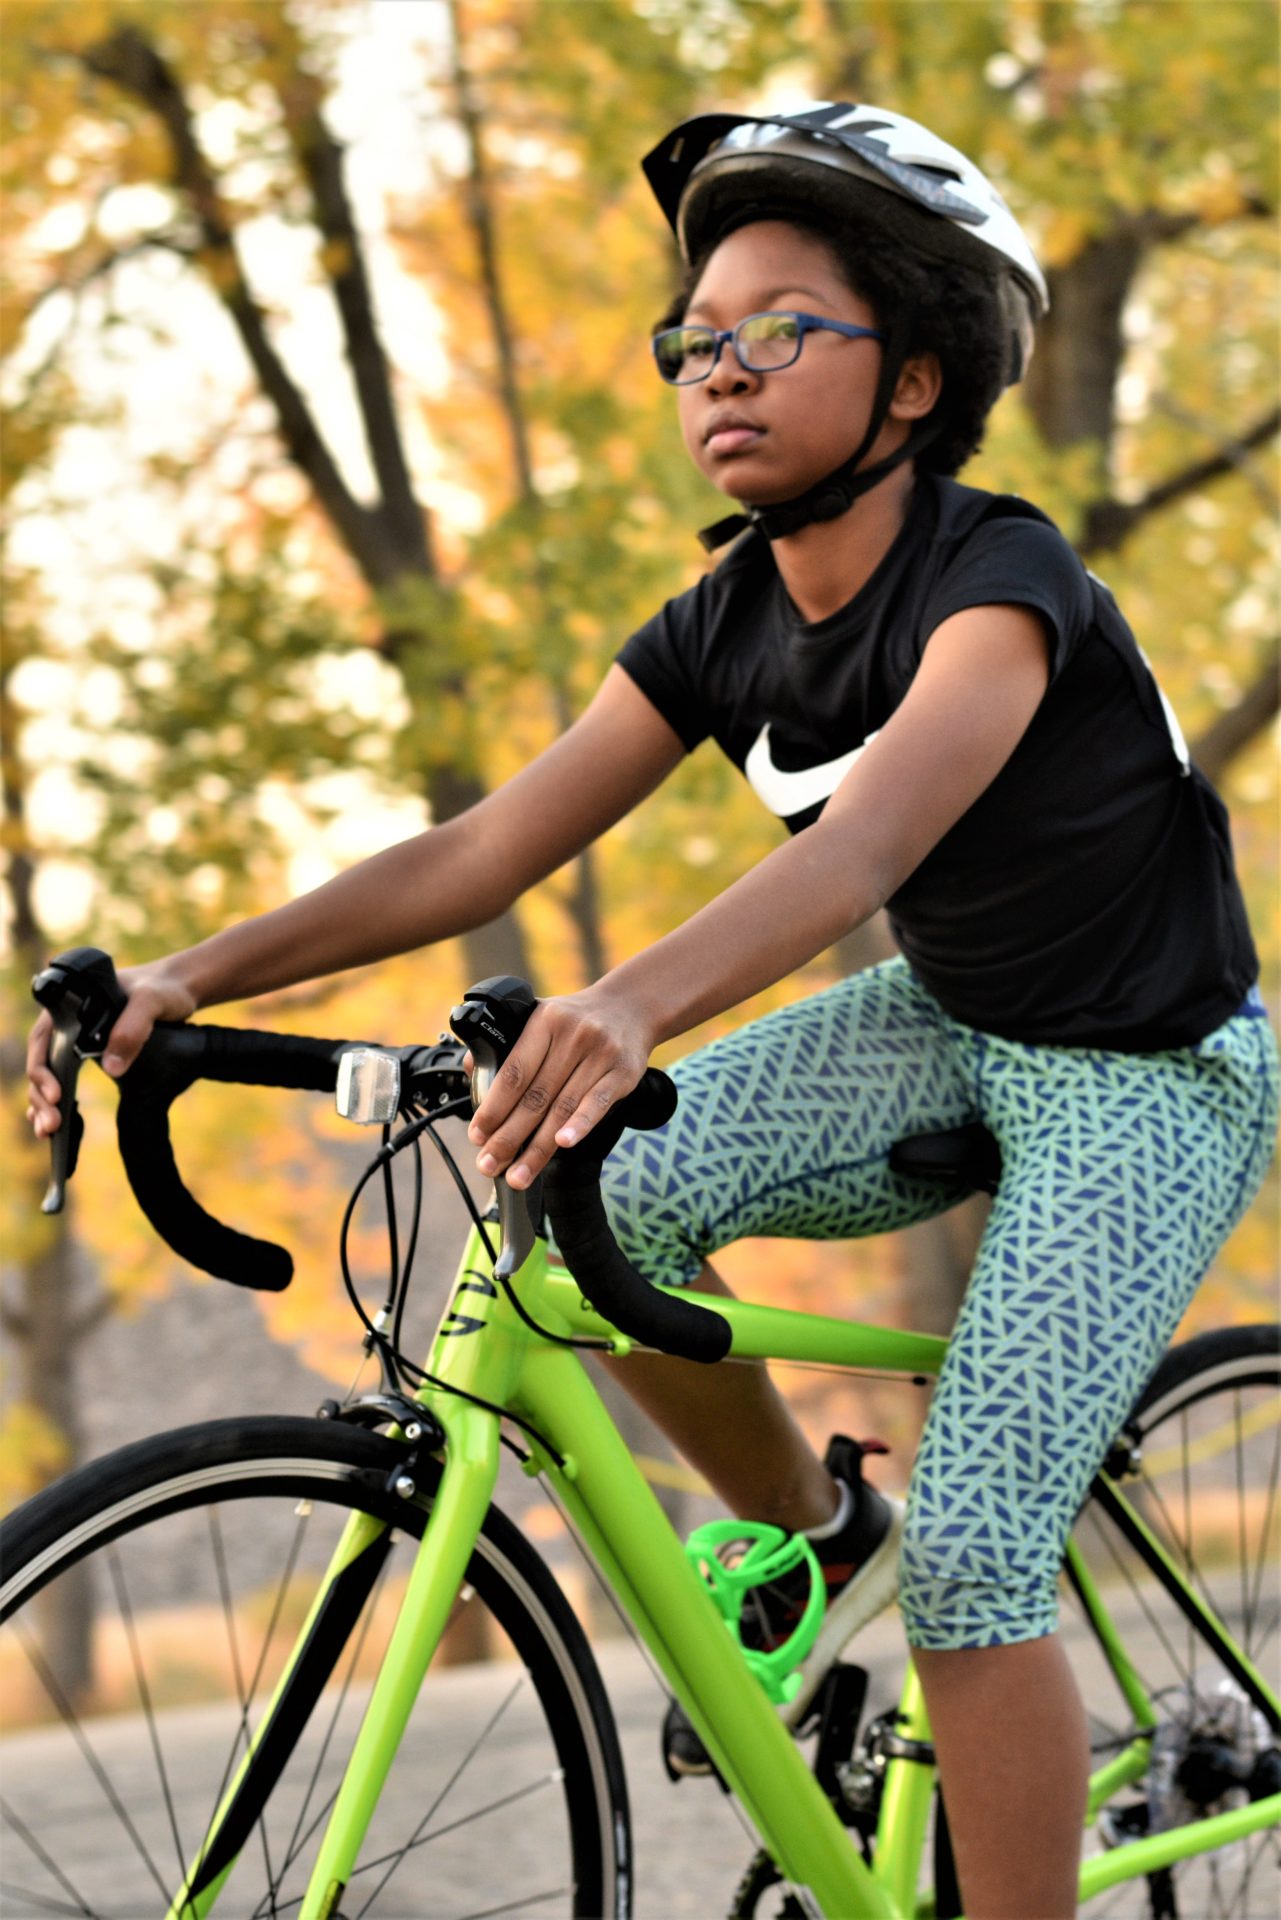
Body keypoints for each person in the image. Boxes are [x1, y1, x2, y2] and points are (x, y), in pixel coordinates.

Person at [27, 103, 1278, 1918]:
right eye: (693, 336)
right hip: (954, 1014)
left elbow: (857, 853)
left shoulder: (1002, 586)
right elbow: (474, 849)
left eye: (779, 329)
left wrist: (621, 1004)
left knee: (983, 1569)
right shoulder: (722, 621)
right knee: (605, 1184)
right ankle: (817, 1535)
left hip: (1149, 1073)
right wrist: (188, 977)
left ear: (916, 381)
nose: (719, 367)